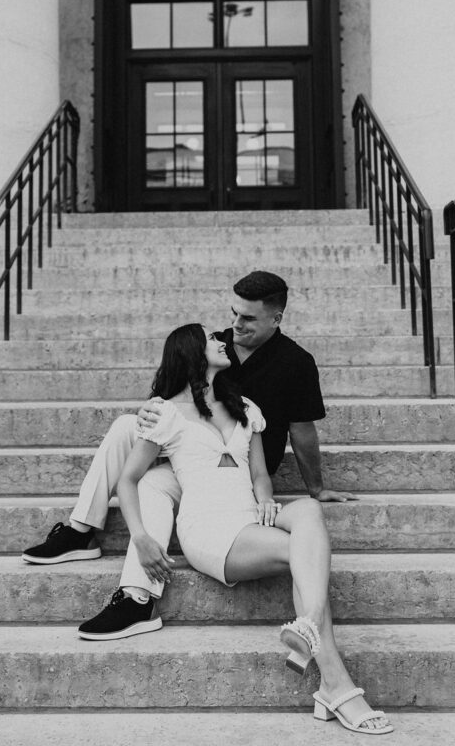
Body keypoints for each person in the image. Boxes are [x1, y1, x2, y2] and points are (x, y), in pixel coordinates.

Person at [22, 271, 355, 642]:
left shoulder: (296, 362)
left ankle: (137, 595)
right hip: (189, 453)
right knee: (124, 428)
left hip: (236, 468)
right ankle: (84, 532)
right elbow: (174, 393)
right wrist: (150, 410)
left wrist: (316, 487)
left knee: (149, 482)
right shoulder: (216, 346)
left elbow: (303, 430)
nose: (234, 325)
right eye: (233, 314)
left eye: (247, 318)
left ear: (276, 318)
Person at [117, 323, 392, 736]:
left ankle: (313, 638)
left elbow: (260, 474)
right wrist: (141, 537)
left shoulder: (244, 406)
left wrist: (265, 497)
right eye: (211, 340)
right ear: (191, 353)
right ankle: (335, 682)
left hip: (251, 513)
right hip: (209, 528)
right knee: (303, 555)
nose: (221, 342)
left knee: (309, 513)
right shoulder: (164, 414)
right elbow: (127, 480)